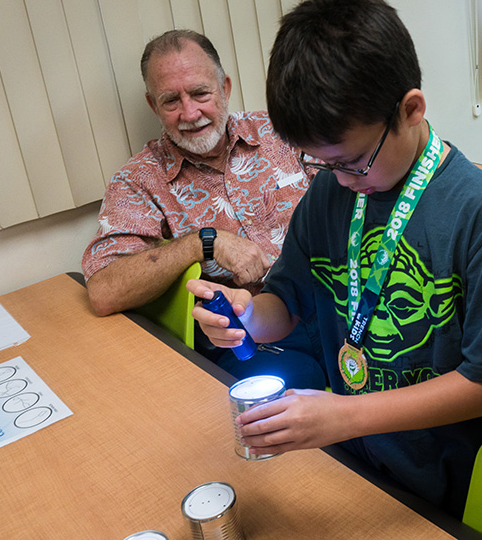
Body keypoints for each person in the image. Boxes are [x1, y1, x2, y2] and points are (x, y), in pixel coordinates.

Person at [189, 0, 482, 518]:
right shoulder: (329, 193)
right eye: (321, 162)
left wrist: (346, 416)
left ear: (411, 109)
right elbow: (286, 302)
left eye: (353, 161)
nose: (342, 179)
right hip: (355, 460)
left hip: (452, 474)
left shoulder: (479, 213)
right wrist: (247, 317)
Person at [82, 29, 325, 389]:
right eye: (171, 101)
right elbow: (104, 292)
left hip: (334, 304)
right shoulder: (139, 179)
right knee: (296, 387)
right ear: (153, 105)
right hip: (249, 335)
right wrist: (202, 243)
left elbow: (356, 194)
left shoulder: (283, 132)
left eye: (200, 93)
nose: (190, 112)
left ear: (224, 88)